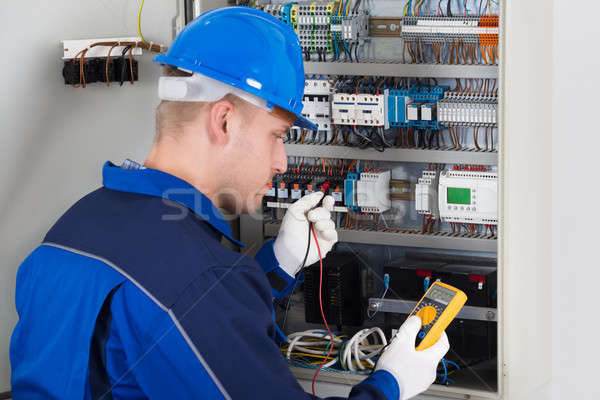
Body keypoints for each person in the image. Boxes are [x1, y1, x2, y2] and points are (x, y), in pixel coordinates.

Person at [9, 6, 448, 400]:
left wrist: (279, 263)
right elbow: (188, 302)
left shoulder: (73, 228)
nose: (281, 162)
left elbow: (178, 322)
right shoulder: (196, 278)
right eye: (277, 137)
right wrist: (390, 382)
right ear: (224, 119)